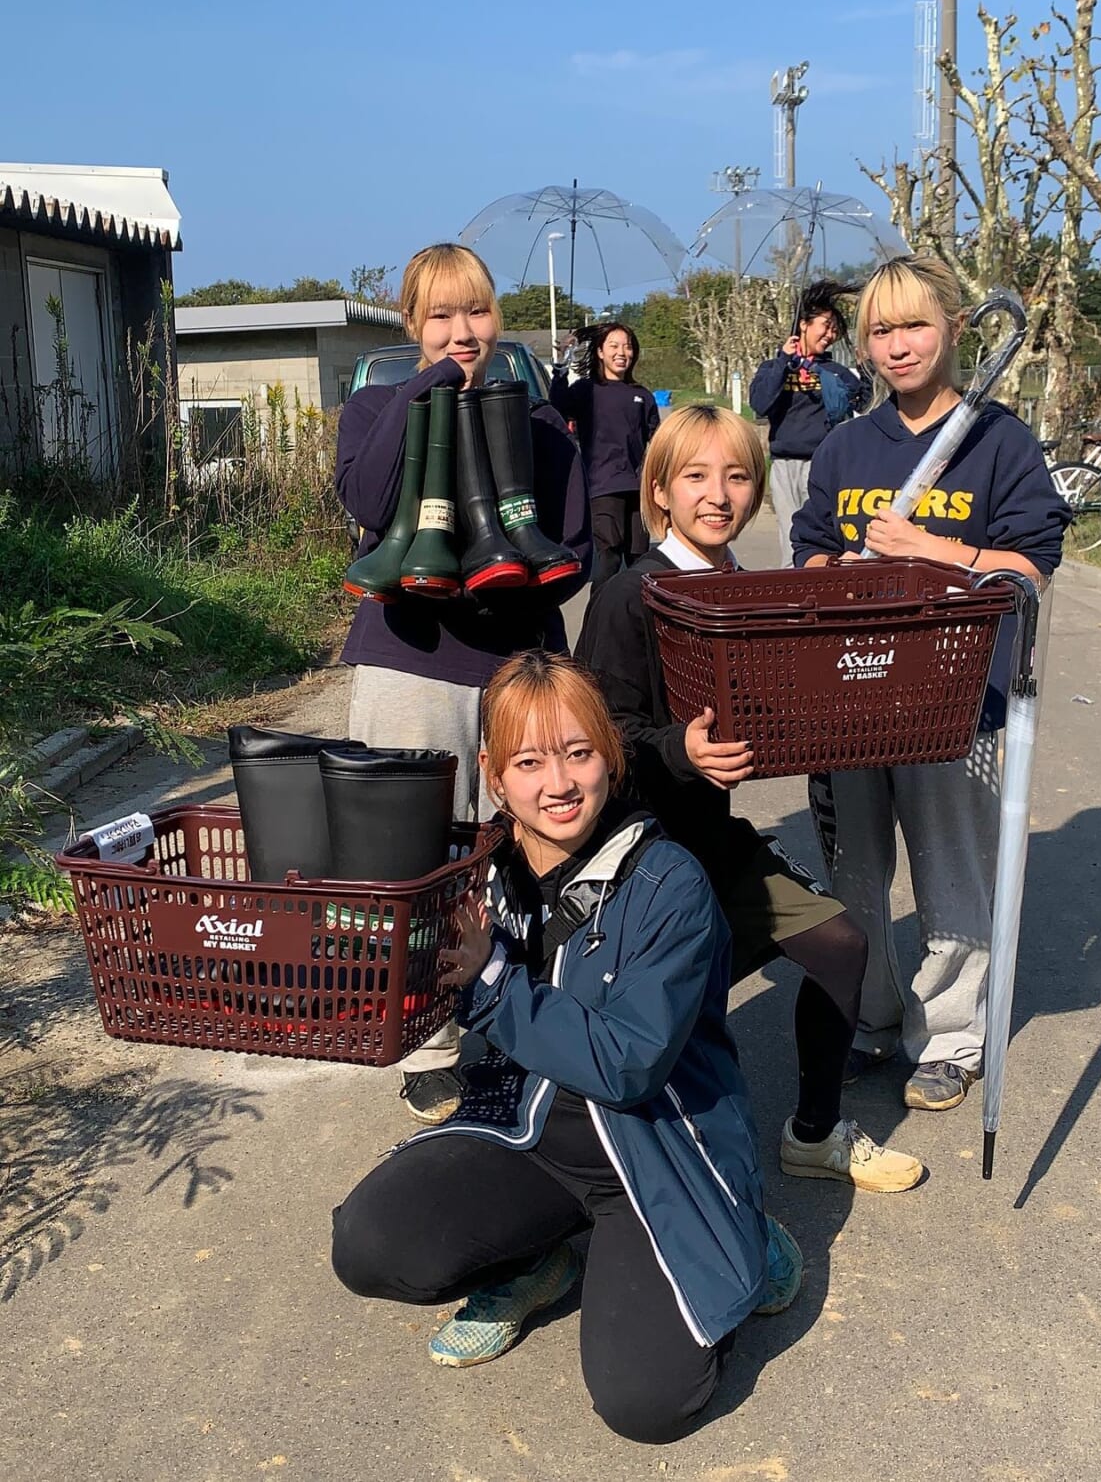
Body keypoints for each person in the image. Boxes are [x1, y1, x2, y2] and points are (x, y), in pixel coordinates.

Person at [331, 651, 795, 1445]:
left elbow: (628, 1063)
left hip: (654, 1149)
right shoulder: (480, 868)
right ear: (493, 771)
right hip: (529, 1129)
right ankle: (540, 1258)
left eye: (579, 753)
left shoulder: (667, 883)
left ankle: (739, 1230)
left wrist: (493, 984)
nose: (559, 783)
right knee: (369, 1244)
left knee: (646, 1404)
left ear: (611, 756)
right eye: (529, 760)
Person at [575, 404, 923, 1193]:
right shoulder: (630, 595)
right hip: (636, 854)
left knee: (840, 943)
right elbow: (594, 741)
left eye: (737, 475)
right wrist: (682, 750)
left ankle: (815, 1132)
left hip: (713, 841)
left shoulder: (749, 589)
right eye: (695, 475)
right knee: (670, 1019)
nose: (718, 494)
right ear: (658, 491)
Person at [791, 254, 1069, 1111]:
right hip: (856, 697)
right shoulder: (847, 444)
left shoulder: (1001, 441)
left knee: (953, 873)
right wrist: (832, 564)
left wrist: (936, 551)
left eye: (915, 325)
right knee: (858, 872)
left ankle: (950, 1033)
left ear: (954, 326)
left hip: (957, 701)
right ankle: (870, 1017)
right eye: (881, 330)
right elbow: (807, 544)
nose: (898, 345)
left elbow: (1030, 569)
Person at [335, 242, 592, 1125]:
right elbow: (367, 503)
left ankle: (519, 1019)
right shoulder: (376, 401)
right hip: (408, 659)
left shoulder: (538, 418)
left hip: (516, 666)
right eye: (439, 315)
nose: (460, 331)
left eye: (476, 311)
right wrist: (421, 392)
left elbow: (572, 544)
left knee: (524, 851)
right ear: (411, 324)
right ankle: (431, 1040)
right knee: (418, 854)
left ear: (498, 317)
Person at [749, 280, 872, 564]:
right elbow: (760, 403)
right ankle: (791, 591)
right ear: (803, 324)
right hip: (783, 465)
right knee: (788, 534)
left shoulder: (836, 372)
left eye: (833, 330)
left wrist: (865, 369)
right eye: (824, 326)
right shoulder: (774, 368)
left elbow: (864, 402)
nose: (830, 335)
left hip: (822, 464)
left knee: (821, 535)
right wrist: (783, 362)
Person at [550, 321, 660, 589]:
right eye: (614, 346)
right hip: (602, 489)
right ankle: (597, 621)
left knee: (639, 563)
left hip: (637, 490)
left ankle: (638, 623)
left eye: (628, 346)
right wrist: (562, 366)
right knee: (608, 559)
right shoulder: (585, 390)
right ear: (600, 352)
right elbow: (558, 406)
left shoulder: (642, 396)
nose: (622, 352)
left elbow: (659, 443)